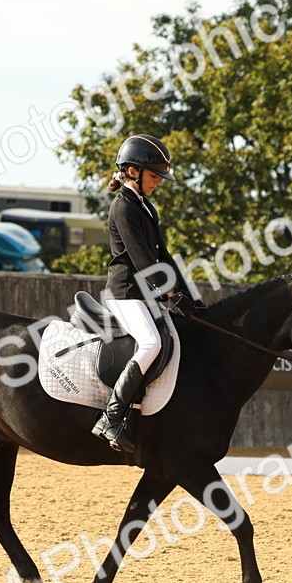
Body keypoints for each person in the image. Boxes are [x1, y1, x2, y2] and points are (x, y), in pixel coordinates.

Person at [92, 133, 205, 452]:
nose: (159, 182)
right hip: (125, 292)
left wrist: (188, 295)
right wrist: (170, 293)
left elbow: (163, 255)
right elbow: (142, 259)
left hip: (143, 293)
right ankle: (111, 418)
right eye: (155, 175)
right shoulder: (123, 207)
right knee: (151, 343)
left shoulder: (145, 207)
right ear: (132, 171)